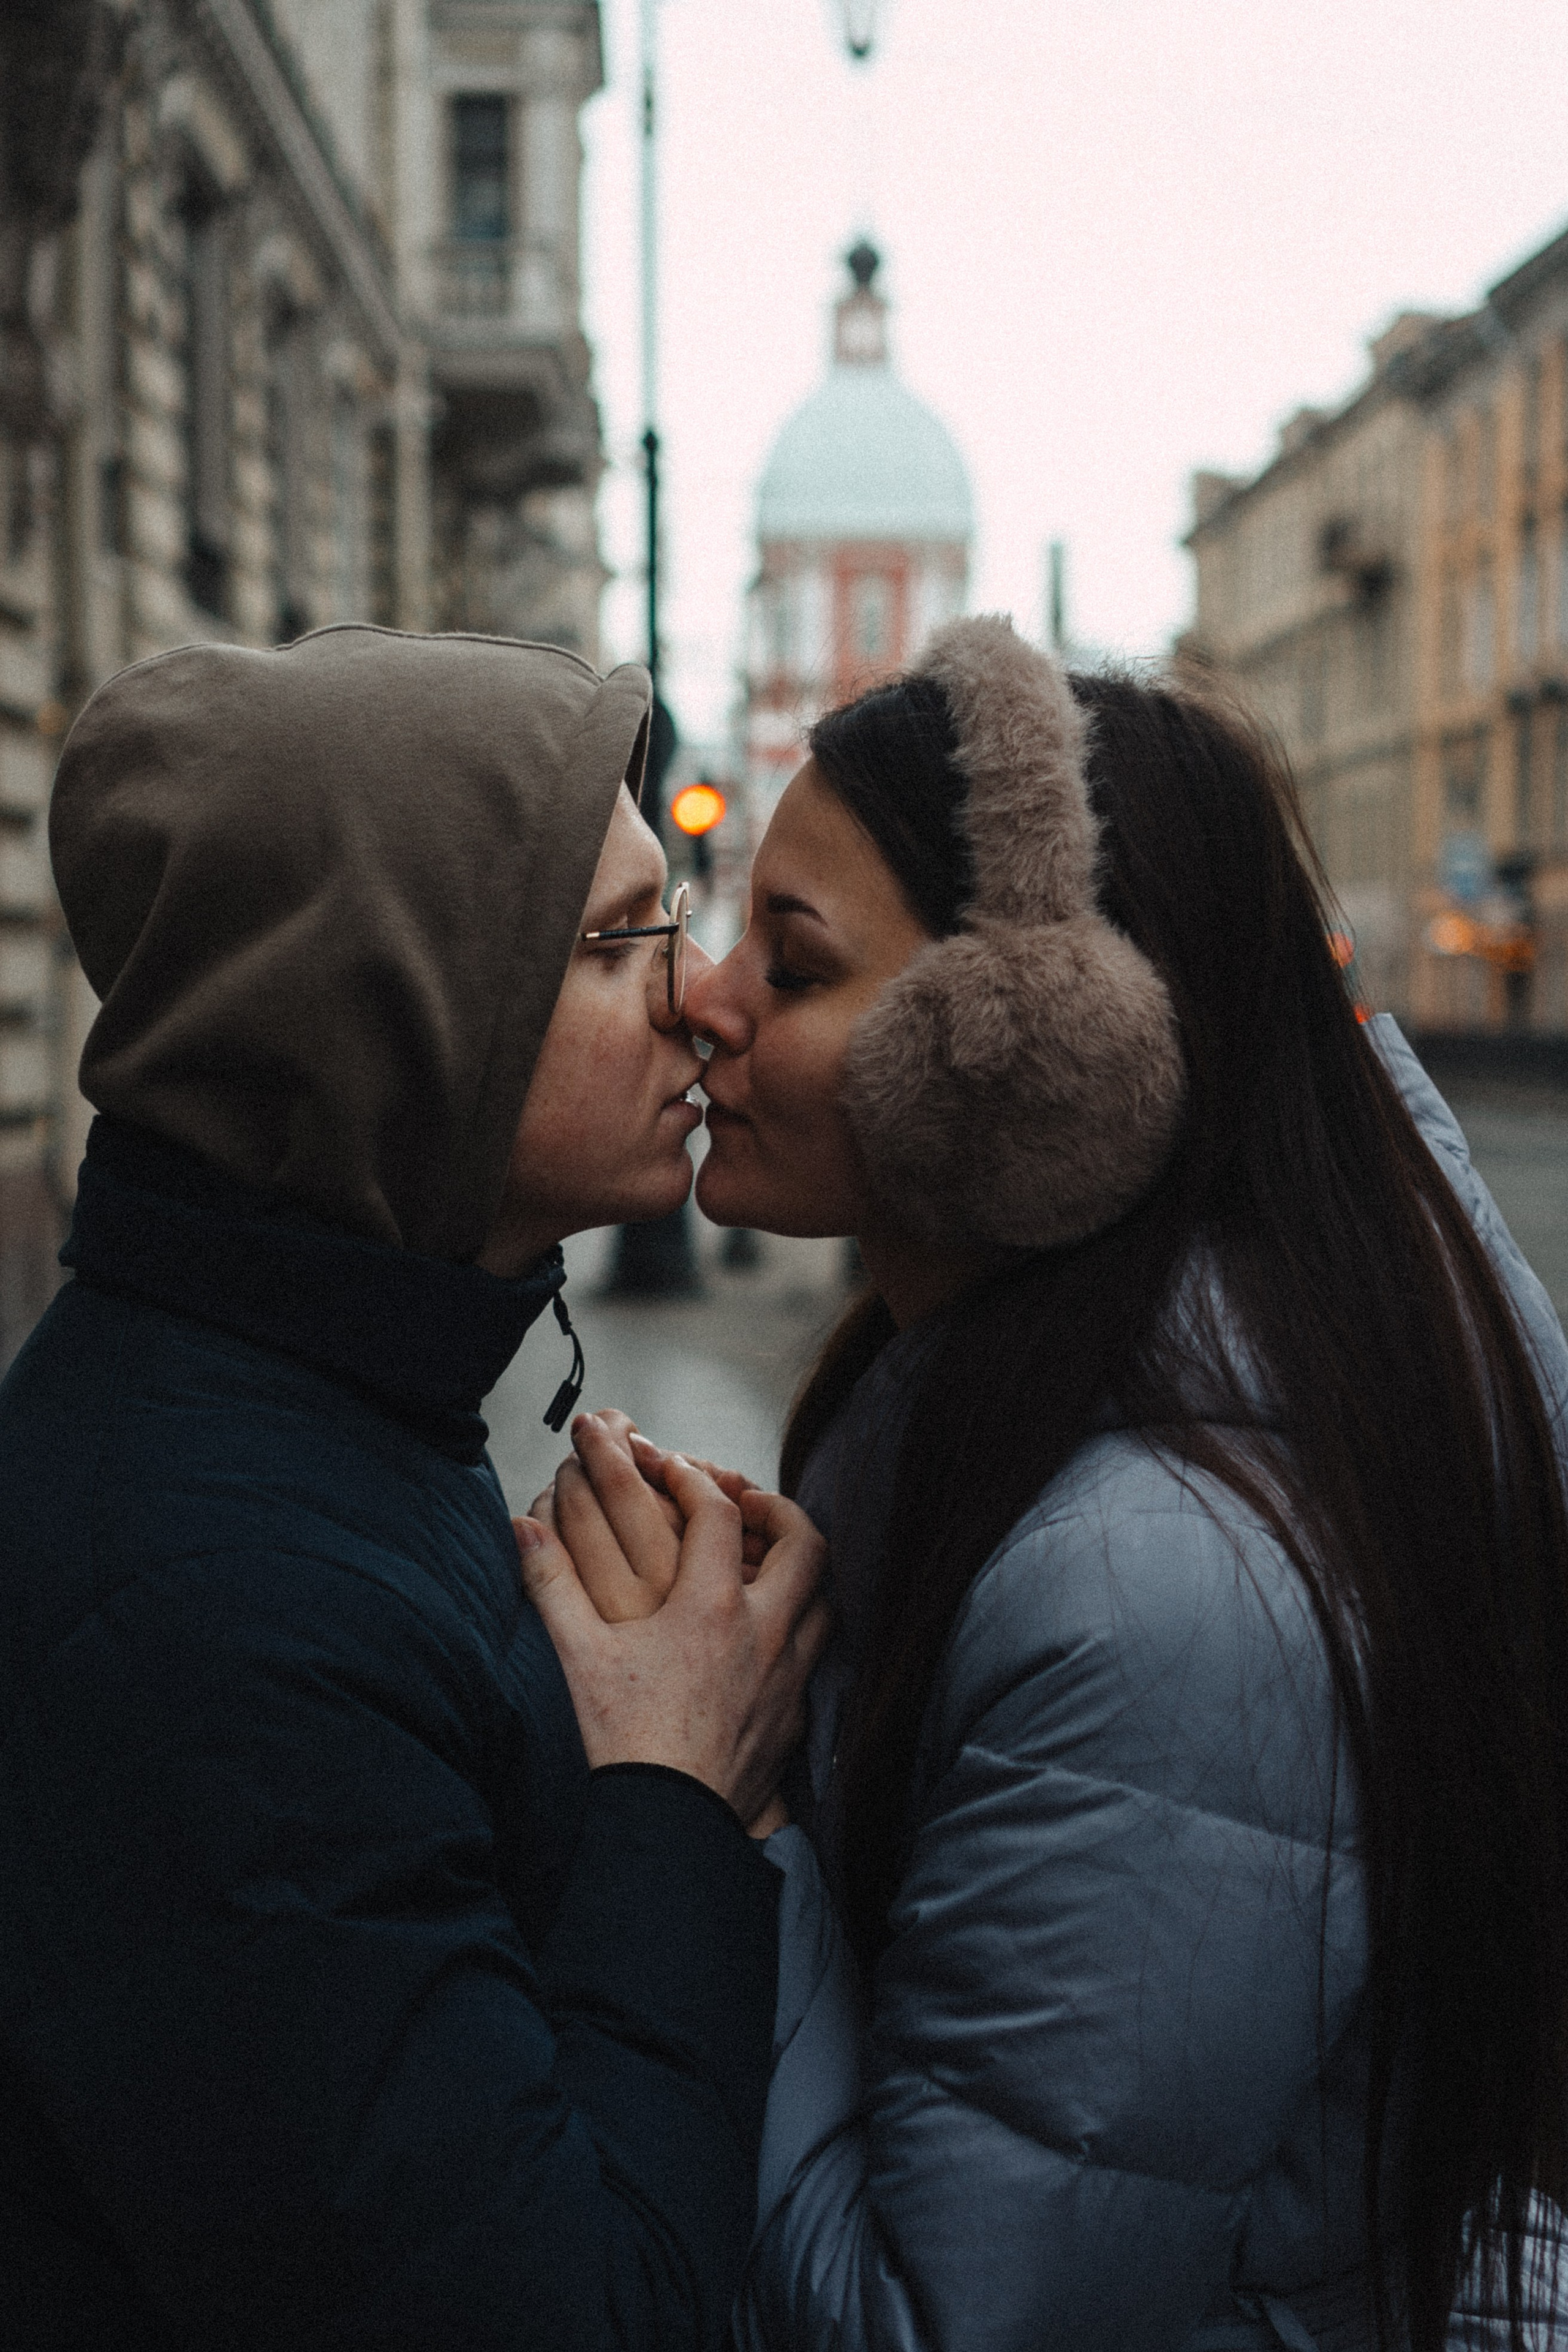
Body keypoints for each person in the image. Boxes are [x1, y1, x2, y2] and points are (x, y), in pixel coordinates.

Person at [527, 616, 1568, 2351]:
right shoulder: (990, 1410)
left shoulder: (1161, 1604)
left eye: (791, 965)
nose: (701, 996)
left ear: (1031, 1058)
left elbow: (939, 2326)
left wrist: (713, 1802)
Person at [0, 624, 831, 2351]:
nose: (693, 992)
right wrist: (674, 1793)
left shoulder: (324, 1405)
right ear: (394, 1020)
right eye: (617, 944)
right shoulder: (220, 1623)